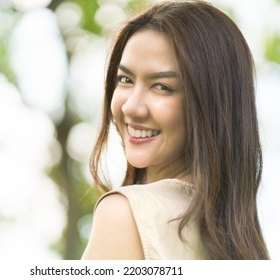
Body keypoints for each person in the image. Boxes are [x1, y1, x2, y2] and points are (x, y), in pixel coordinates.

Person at [81, 0, 270, 260]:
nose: (132, 107)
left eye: (162, 86)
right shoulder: (241, 245)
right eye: (125, 79)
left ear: (210, 104)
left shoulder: (124, 215)